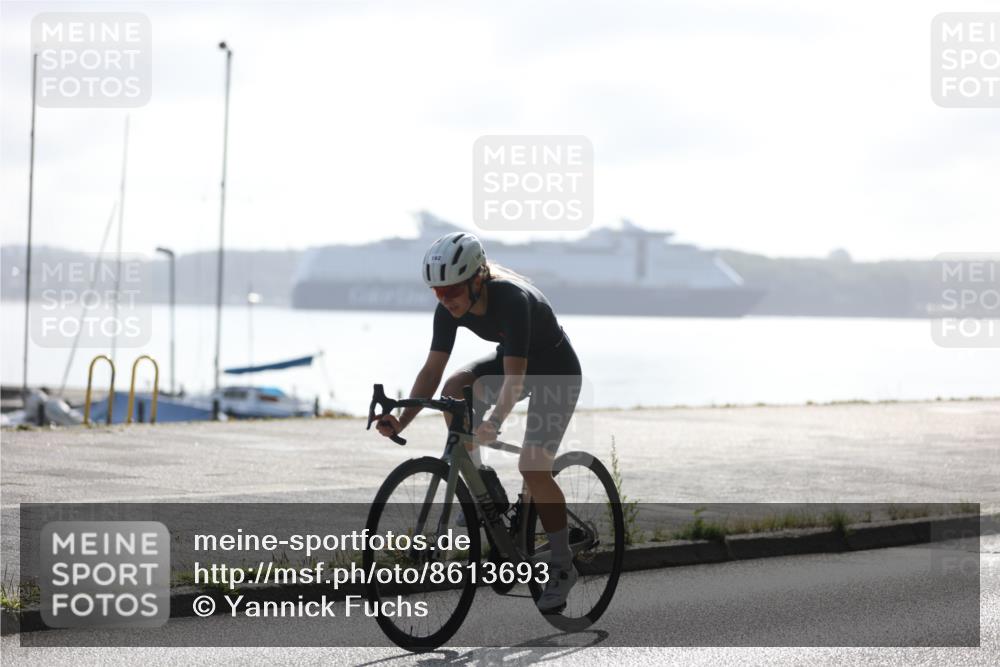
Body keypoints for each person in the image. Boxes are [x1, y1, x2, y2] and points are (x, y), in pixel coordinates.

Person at [374, 231, 582, 613]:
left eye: (451, 290)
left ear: (476, 279)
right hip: (512, 365)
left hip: (556, 373)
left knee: (533, 467)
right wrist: (402, 422)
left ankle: (563, 563)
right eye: (436, 292)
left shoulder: (512, 300)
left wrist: (495, 421)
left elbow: (516, 379)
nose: (444, 299)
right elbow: (433, 370)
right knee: (455, 386)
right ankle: (484, 486)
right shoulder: (448, 309)